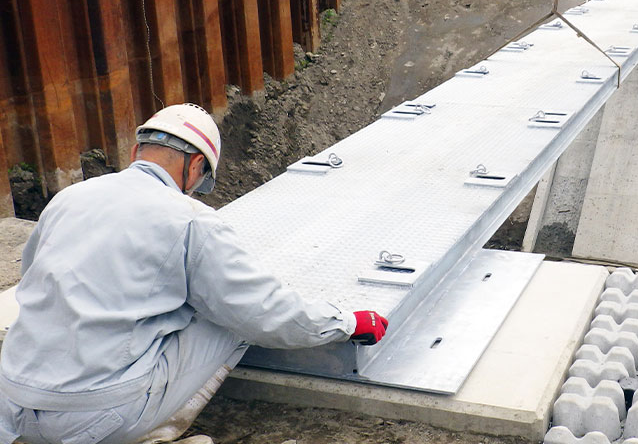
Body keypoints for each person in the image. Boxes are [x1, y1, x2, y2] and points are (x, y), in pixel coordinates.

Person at [0, 103, 389, 444]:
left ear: (137, 150)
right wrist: (345, 323)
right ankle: (155, 431)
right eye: (201, 181)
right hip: (93, 420)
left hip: (12, 406)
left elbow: (35, 276)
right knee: (230, 318)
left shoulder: (70, 198)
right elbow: (261, 312)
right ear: (197, 165)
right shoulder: (190, 219)